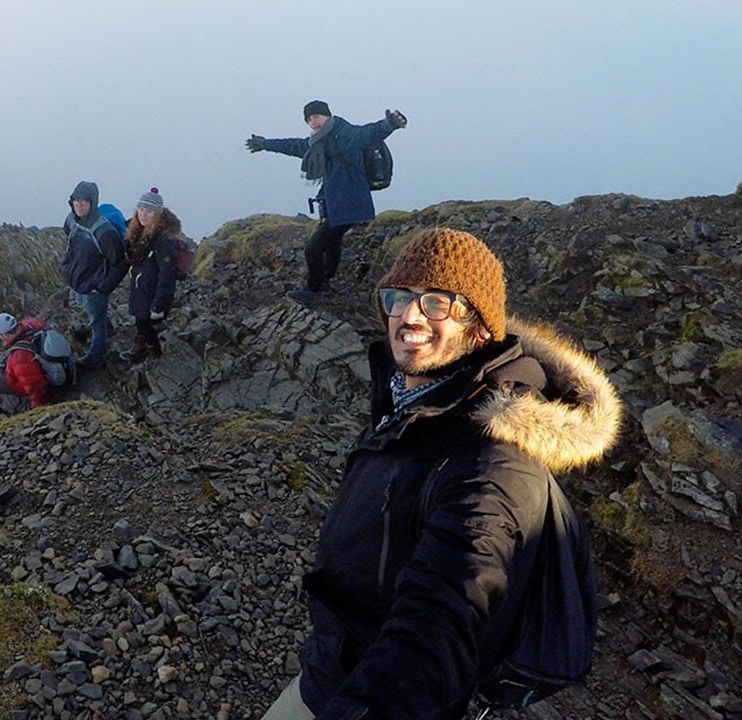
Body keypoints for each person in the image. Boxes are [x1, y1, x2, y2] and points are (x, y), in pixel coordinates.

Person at [263, 228, 622, 720]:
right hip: (330, 668)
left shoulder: (494, 465)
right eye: (399, 298)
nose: (409, 316)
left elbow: (442, 624)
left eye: (437, 303)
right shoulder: (418, 401)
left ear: (479, 329)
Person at [246, 100, 407, 305]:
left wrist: (389, 124)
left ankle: (313, 289)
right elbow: (294, 145)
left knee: (313, 248)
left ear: (327, 116)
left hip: (350, 204)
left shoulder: (344, 134)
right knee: (332, 243)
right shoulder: (317, 143)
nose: (313, 122)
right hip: (336, 204)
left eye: (317, 116)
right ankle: (326, 281)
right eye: (309, 119)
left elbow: (368, 133)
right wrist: (265, 144)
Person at [59, 180, 128, 368]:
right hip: (78, 282)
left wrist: (102, 286)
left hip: (94, 287)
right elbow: (69, 237)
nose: (79, 204)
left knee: (95, 321)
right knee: (94, 314)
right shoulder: (72, 220)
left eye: (84, 201)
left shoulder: (105, 232)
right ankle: (108, 328)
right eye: (76, 201)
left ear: (93, 202)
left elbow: (120, 264)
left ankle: (95, 356)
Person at [120, 187, 180, 363]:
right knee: (141, 321)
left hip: (152, 292)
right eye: (141, 210)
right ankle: (140, 346)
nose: (144, 215)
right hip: (141, 288)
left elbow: (167, 276)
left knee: (145, 322)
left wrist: (159, 305)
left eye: (149, 211)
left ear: (158, 215)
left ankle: (155, 353)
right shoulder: (138, 234)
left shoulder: (163, 241)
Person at [0, 312, 50, 413]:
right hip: (41, 366)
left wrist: (37, 409)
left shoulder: (19, 357)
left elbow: (34, 385)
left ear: (4, 334)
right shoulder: (32, 325)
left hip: (21, 383)